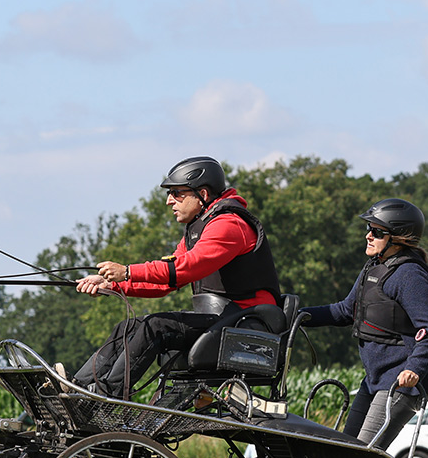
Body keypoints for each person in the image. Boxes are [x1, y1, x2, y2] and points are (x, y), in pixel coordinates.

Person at [74, 156, 281, 398]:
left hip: (246, 325)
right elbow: (168, 279)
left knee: (155, 327)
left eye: (176, 193)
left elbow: (186, 268)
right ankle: (77, 386)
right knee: (127, 327)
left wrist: (128, 270)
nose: (168, 201)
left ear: (202, 193)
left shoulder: (229, 225)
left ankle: (106, 395)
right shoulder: (200, 227)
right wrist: (114, 285)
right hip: (222, 320)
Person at [301, 198, 428, 449]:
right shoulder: (374, 267)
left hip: (400, 382)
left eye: (376, 232)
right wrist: (298, 316)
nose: (368, 235)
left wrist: (415, 369)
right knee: (345, 449)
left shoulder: (410, 274)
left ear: (398, 238)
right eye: (369, 229)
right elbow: (345, 311)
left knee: (363, 456)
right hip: (373, 380)